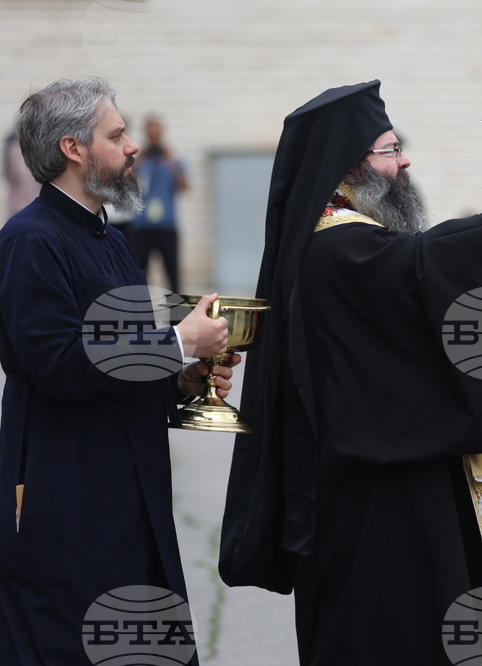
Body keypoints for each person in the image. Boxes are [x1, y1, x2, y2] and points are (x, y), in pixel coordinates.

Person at [217, 80, 482, 665]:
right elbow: (426, 266)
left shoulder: (336, 240)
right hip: (376, 498)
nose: (405, 159)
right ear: (348, 167)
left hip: (379, 475)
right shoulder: (336, 246)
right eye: (389, 149)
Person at [0, 77, 234, 664]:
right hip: (68, 488)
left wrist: (182, 381)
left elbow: (124, 358)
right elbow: (57, 364)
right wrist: (177, 344)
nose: (132, 146)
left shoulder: (113, 241)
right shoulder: (30, 242)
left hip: (132, 491)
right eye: (117, 133)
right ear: (74, 149)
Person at [128, 116, 187, 293]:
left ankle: (178, 317)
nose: (153, 136)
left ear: (162, 133)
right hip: (141, 226)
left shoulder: (172, 160)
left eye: (156, 132)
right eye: (150, 132)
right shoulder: (139, 161)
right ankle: (140, 316)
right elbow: (126, 185)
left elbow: (184, 186)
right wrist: (138, 162)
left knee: (173, 275)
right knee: (138, 276)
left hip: (166, 226)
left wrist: (170, 162)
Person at [2, 129, 40, 221]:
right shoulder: (14, 146)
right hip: (19, 201)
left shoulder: (36, 145)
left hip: (31, 200)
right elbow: (11, 174)